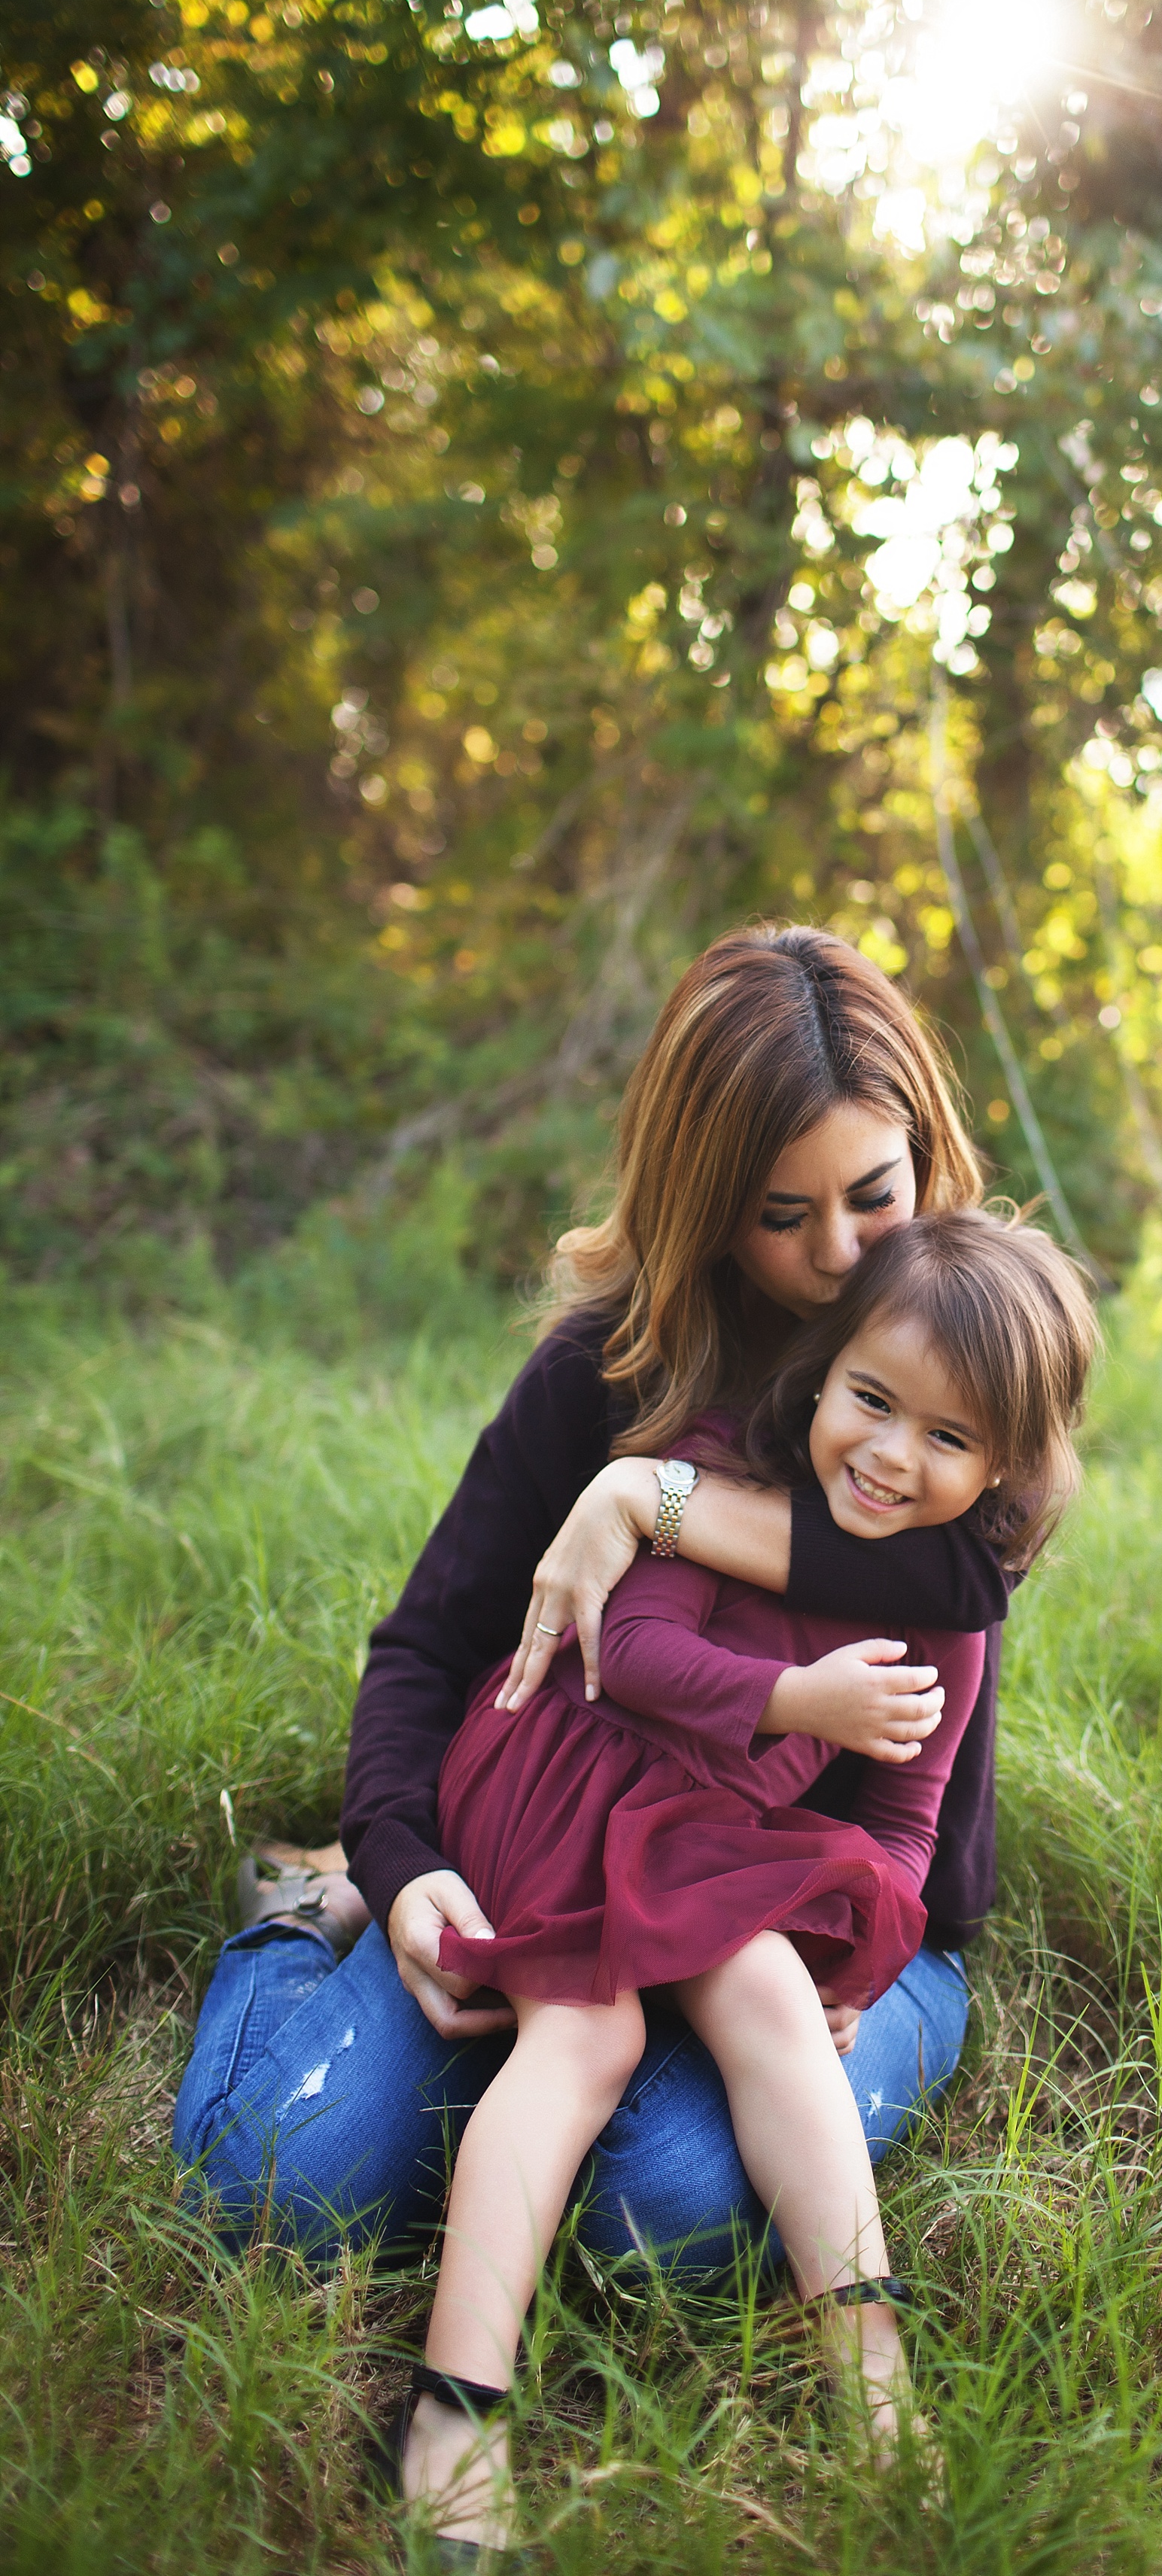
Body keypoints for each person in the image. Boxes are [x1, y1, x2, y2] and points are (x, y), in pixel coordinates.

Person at [173, 928, 1013, 2272]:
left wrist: (646, 1501)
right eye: (781, 1214)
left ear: (925, 1153)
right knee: (269, 2192)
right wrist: (401, 1864)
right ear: (707, 1201)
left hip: (827, 1926)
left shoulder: (972, 1352)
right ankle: (304, 1911)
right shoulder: (606, 1368)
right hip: (574, 1864)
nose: (844, 1253)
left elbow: (965, 1571)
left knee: (660, 2219)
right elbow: (428, 1643)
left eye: (874, 1194)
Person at [393, 1211, 1096, 2553]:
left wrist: (865, 1958)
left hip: (694, 1815)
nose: (889, 1455)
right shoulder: (715, 1475)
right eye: (872, 1401)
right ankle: (454, 2407)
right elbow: (634, 1651)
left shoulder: (949, 1606)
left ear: (1003, 1462)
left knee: (776, 1993)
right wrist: (800, 1699)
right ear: (825, 1371)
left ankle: (867, 2360)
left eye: (945, 1439)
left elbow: (902, 1816)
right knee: (584, 2038)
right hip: (560, 1762)